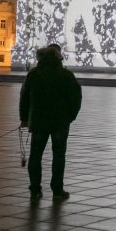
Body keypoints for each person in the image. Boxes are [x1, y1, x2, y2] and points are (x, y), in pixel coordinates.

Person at [19, 44, 82, 201]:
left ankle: (35, 191)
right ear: (58, 57)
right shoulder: (66, 75)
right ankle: (57, 191)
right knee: (59, 156)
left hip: (39, 122)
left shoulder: (33, 74)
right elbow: (76, 98)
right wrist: (70, 116)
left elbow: (24, 98)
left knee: (35, 156)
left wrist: (24, 119)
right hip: (60, 122)